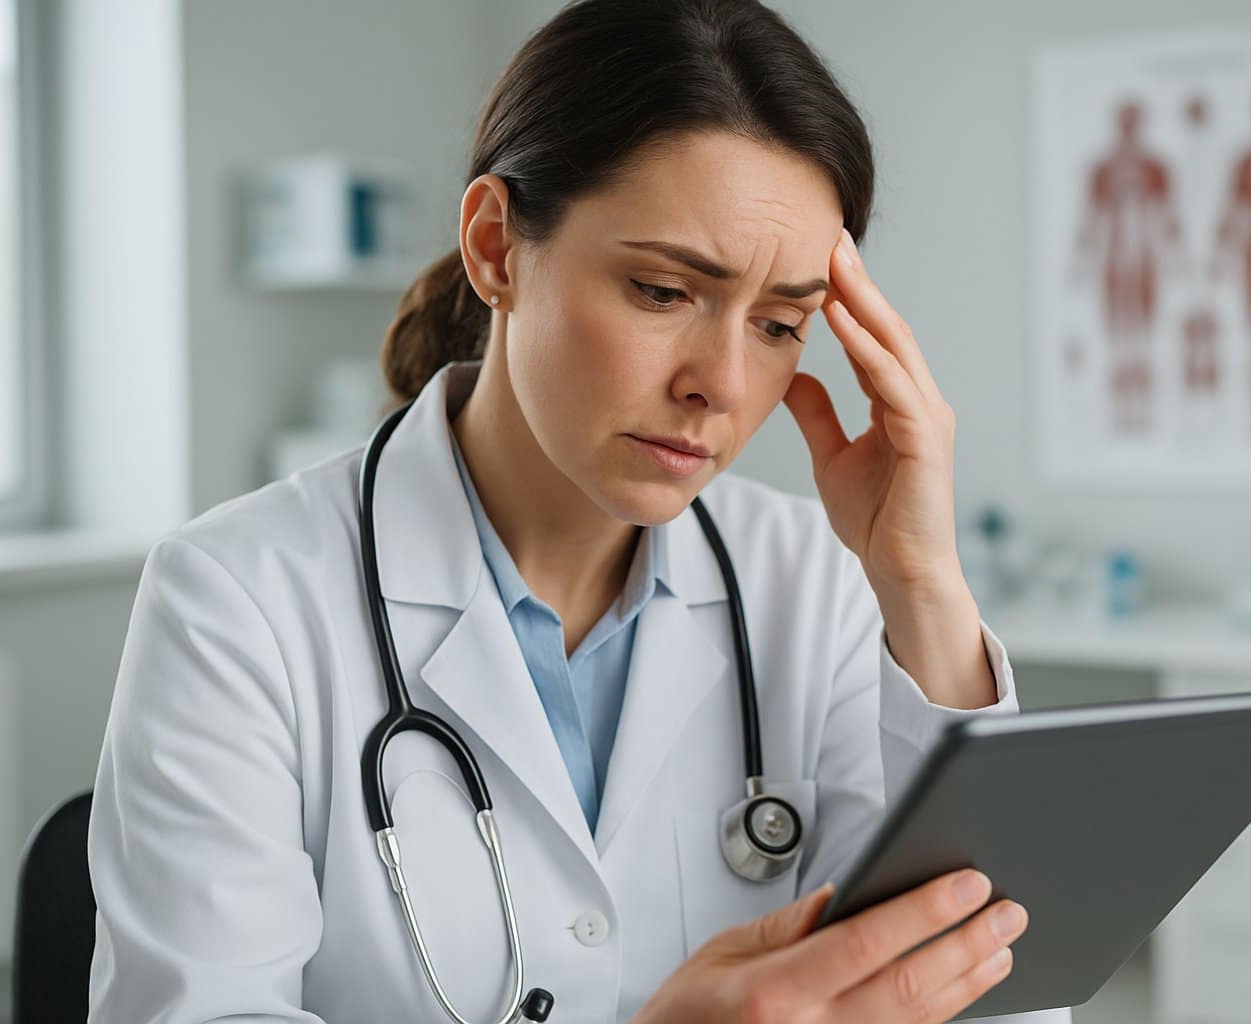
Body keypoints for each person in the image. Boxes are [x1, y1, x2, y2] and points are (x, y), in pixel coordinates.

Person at [86, 1, 1072, 1021]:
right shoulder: (236, 601)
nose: (723, 384)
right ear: (496, 247)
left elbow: (998, 1003)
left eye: (782, 322)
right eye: (661, 290)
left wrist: (924, 588)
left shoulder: (812, 583)